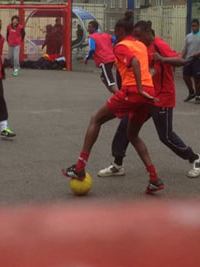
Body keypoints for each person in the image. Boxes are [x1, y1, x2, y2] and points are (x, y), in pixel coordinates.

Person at [62, 11, 164, 194]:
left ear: (121, 30)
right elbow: (148, 64)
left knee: (96, 119)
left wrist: (139, 88)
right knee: (132, 135)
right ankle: (154, 178)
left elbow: (133, 63)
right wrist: (145, 88)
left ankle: (79, 166)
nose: (114, 36)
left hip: (134, 91)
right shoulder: (140, 45)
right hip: (148, 92)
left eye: (115, 32)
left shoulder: (121, 46)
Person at [98, 21, 200, 179]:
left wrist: (162, 59)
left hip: (162, 97)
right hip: (144, 96)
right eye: (135, 35)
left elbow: (181, 60)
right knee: (125, 125)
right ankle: (117, 164)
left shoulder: (159, 45)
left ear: (149, 32)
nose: (137, 38)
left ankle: (194, 158)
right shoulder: (140, 47)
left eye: (139, 35)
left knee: (165, 136)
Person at [182, 19, 200, 104]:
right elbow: (185, 48)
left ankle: (198, 96)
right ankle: (191, 92)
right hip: (189, 59)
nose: (194, 27)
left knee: (197, 78)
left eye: (195, 26)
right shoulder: (188, 36)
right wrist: (181, 57)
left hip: (198, 60)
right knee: (185, 76)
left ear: (198, 26)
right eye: (192, 26)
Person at [83, 20, 118, 94]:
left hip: (104, 60)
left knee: (109, 81)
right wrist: (113, 48)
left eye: (89, 27)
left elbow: (92, 49)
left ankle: (119, 97)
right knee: (103, 77)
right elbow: (115, 40)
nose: (88, 29)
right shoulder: (106, 35)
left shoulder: (92, 37)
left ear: (94, 28)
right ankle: (115, 95)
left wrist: (87, 58)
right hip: (111, 59)